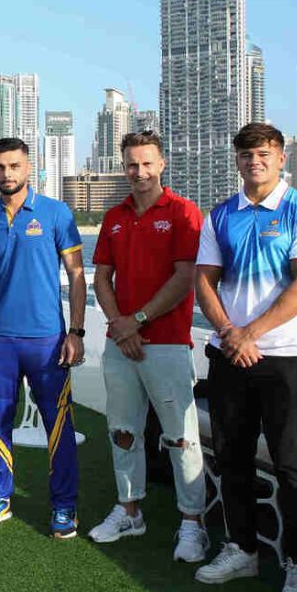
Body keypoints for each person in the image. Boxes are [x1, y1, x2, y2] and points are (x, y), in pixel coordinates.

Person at [193, 123, 297, 592]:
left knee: (292, 463)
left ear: (281, 156)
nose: (256, 162)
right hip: (230, 356)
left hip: (284, 357)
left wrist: (252, 333)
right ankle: (243, 549)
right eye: (248, 154)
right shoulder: (222, 215)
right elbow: (204, 281)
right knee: (232, 457)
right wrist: (233, 333)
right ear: (238, 160)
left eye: (265, 153)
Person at [87, 131, 206, 560]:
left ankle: (193, 522)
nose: (139, 172)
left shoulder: (182, 212)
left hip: (167, 344)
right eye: (132, 164)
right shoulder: (114, 216)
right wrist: (121, 327)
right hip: (122, 345)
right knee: (122, 432)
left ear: (162, 164)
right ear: (124, 167)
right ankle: (129, 510)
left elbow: (185, 277)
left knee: (180, 439)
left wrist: (136, 321)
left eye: (147, 163)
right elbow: (101, 276)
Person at [0, 137, 87, 538]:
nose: (7, 174)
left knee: (58, 425)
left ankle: (64, 505)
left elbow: (76, 275)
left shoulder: (55, 213)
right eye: (0, 167)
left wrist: (75, 331)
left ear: (29, 167)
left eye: (14, 166)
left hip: (48, 340)